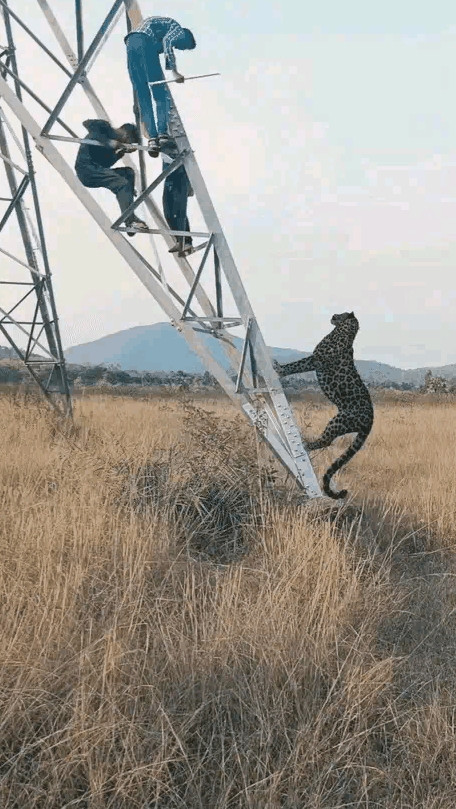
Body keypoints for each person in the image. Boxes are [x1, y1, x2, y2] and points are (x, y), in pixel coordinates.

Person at [125, 17, 196, 158]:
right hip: (144, 42)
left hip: (130, 45)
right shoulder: (177, 29)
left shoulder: (158, 30)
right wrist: (175, 72)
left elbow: (162, 45)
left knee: (143, 95)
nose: (180, 48)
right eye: (184, 47)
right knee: (160, 93)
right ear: (186, 38)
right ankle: (163, 134)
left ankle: (153, 139)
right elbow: (168, 42)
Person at [74, 119, 148, 236]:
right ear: (125, 134)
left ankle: (126, 199)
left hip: (96, 170)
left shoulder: (111, 144)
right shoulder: (103, 128)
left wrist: (120, 153)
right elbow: (87, 124)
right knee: (121, 184)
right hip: (87, 170)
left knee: (128, 173)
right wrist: (111, 142)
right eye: (128, 141)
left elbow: (105, 163)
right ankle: (130, 221)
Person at [161, 138, 194, 257]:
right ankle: (180, 240)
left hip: (180, 180)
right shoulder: (165, 153)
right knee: (168, 212)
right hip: (169, 180)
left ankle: (187, 242)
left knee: (180, 212)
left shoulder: (179, 152)